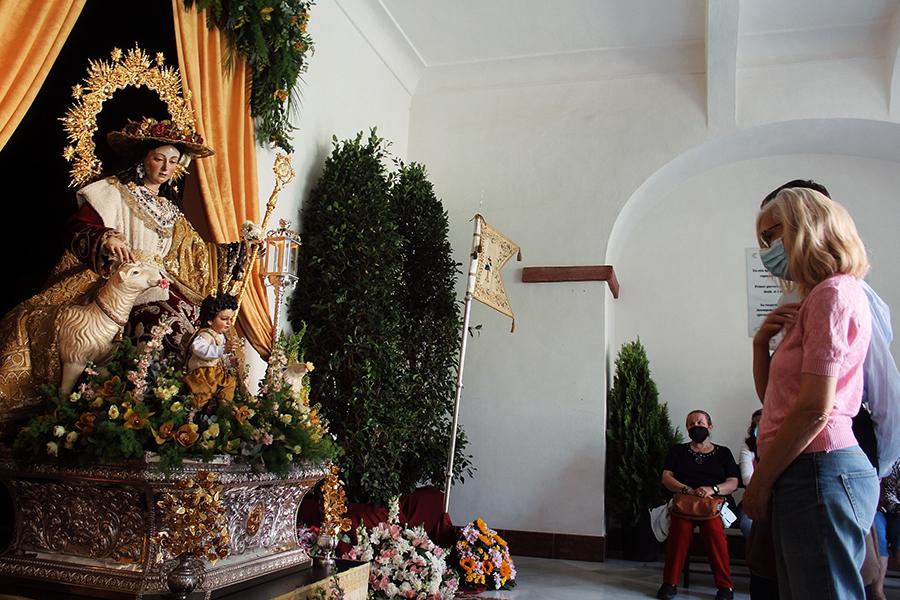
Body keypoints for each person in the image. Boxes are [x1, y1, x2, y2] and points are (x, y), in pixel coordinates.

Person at [0, 118, 249, 435]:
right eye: (159, 158)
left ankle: (203, 415)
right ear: (143, 159)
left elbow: (197, 255)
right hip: (122, 281)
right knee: (164, 323)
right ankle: (147, 417)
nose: (165, 168)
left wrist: (240, 251)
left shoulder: (171, 210)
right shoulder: (114, 192)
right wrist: (107, 239)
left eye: (173, 162)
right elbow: (78, 229)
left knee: (207, 325)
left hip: (165, 282)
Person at [744, 186, 878, 598]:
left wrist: (761, 481)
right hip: (804, 467)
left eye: (774, 234)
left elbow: (813, 412)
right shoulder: (819, 297)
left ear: (808, 226)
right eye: (763, 240)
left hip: (818, 468)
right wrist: (760, 344)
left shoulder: (833, 293)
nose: (768, 248)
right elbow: (777, 405)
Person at [657, 409, 739, 600]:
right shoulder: (677, 451)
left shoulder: (723, 453)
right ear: (687, 428)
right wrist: (686, 489)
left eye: (700, 423)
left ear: (710, 427)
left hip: (714, 503)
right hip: (685, 503)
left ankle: (725, 587)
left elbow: (733, 482)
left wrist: (713, 489)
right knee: (680, 528)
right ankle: (669, 583)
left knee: (713, 529)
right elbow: (666, 478)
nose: (696, 426)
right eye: (691, 424)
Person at [183, 294, 238, 414]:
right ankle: (195, 413)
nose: (228, 323)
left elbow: (221, 358)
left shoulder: (221, 336)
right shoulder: (205, 334)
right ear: (210, 320)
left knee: (230, 383)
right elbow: (198, 348)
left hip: (216, 370)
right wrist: (222, 349)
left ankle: (223, 404)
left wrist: (229, 362)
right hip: (202, 371)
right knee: (204, 391)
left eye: (230, 319)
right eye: (224, 319)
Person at [738, 408, 762, 538]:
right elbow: (747, 478)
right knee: (747, 523)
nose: (759, 426)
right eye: (756, 423)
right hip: (754, 498)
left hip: (781, 500)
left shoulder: (784, 445)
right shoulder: (748, 447)